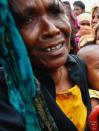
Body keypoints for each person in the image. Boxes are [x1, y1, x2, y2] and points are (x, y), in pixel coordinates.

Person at [6, 0, 91, 130]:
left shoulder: (78, 66)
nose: (51, 29)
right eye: (28, 19)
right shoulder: (8, 91)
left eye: (55, 12)